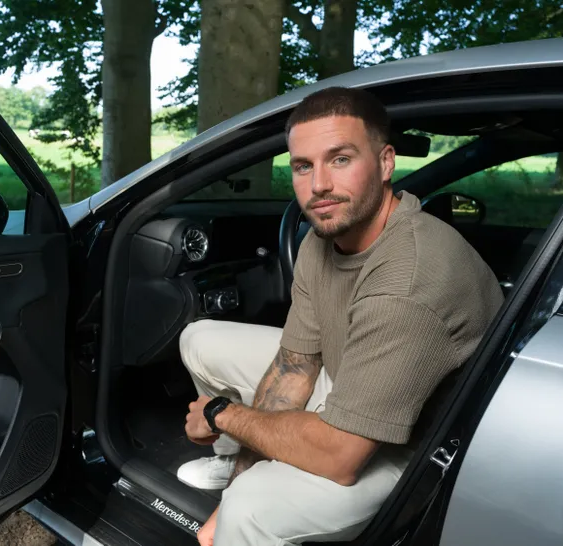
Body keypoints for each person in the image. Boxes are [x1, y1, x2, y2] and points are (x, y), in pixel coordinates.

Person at [178, 86, 504, 546]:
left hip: (416, 447)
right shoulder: (322, 240)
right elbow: (295, 367)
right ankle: (234, 469)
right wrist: (234, 481)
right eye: (303, 166)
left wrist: (221, 415)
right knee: (199, 339)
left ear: (386, 163)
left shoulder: (409, 280)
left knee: (251, 509)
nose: (319, 186)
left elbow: (340, 456)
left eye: (341, 159)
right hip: (354, 384)